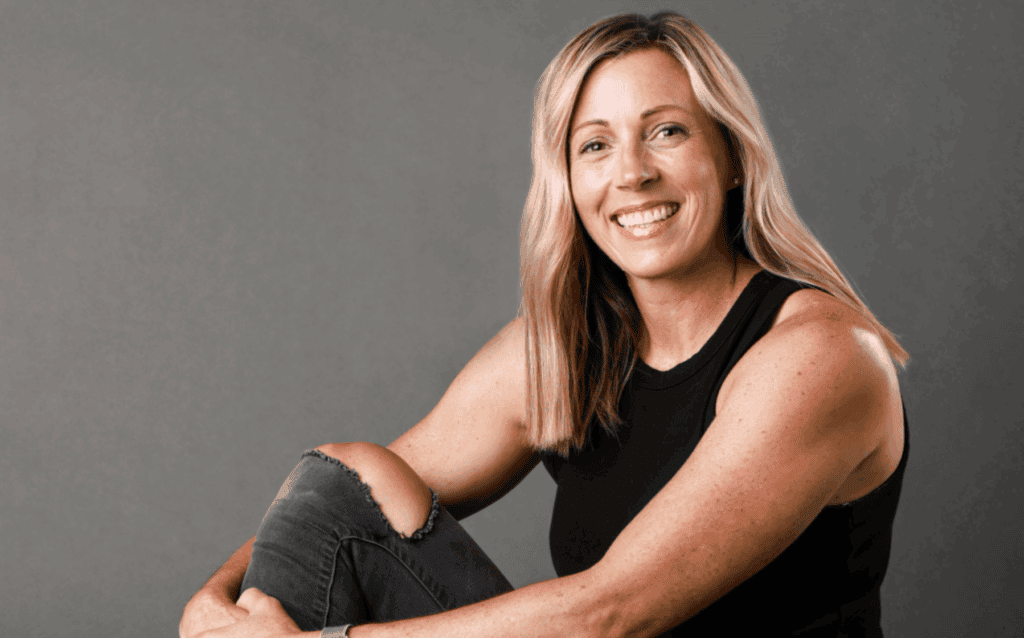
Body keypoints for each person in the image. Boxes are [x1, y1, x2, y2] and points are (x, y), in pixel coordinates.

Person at [179, 11, 909, 638]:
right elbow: (336, 504)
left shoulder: (822, 356)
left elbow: (614, 613)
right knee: (345, 475)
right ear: (568, 181)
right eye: (595, 145)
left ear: (730, 159)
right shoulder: (569, 350)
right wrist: (214, 603)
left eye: (666, 133)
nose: (631, 174)